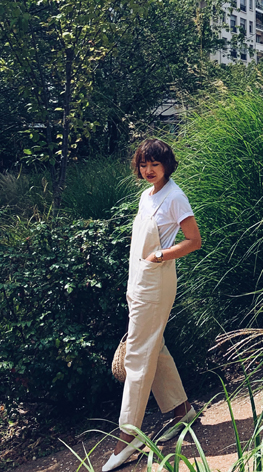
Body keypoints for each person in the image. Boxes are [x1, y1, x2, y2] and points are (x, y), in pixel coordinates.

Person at [102, 138, 202, 471]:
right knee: (153, 348)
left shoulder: (175, 196)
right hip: (140, 282)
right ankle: (181, 410)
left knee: (137, 356)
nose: (148, 170)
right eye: (143, 164)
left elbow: (194, 240)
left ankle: (127, 434)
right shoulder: (147, 196)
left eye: (154, 165)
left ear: (167, 165)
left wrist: (161, 254)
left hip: (157, 283)